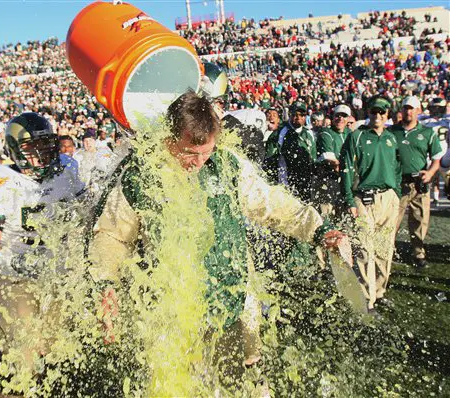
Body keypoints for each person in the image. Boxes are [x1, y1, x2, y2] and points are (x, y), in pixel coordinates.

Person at [88, 90, 349, 387]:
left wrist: (317, 229)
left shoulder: (227, 165)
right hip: (169, 312)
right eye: (189, 152)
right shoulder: (140, 175)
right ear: (169, 139)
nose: (198, 162)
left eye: (206, 152)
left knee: (238, 384)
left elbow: (272, 203)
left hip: (230, 303)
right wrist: (106, 283)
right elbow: (111, 235)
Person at [0, 112, 85, 378]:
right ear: (14, 150)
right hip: (17, 274)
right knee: (21, 360)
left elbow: (84, 213)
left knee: (57, 350)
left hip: (59, 273)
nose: (42, 153)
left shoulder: (67, 168)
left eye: (46, 145)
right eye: (32, 147)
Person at [340, 96, 401, 313]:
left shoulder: (391, 138)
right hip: (363, 198)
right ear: (369, 113)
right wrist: (349, 199)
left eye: (382, 112)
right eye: (374, 112)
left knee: (385, 250)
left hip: (388, 198)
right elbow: (345, 169)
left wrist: (396, 193)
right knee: (365, 250)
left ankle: (380, 292)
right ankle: (367, 297)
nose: (378, 116)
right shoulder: (356, 136)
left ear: (387, 115)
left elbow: (397, 167)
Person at [390, 96, 444, 268]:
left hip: (419, 182)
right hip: (398, 183)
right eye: (406, 107)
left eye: (412, 108)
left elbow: (436, 158)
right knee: (392, 220)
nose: (408, 111)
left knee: (420, 220)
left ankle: (418, 253)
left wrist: (430, 173)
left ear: (419, 110)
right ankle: (388, 251)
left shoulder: (427, 132)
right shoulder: (391, 131)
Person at [263, 101, 316, 202]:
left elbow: (313, 159)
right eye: (295, 114)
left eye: (302, 114)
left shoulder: (309, 134)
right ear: (290, 114)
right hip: (285, 184)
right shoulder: (280, 132)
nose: (298, 117)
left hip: (305, 184)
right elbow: (269, 159)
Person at [315, 104, 353, 218]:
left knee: (345, 218)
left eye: (344, 116)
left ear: (348, 118)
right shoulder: (325, 133)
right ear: (333, 117)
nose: (340, 118)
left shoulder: (350, 134)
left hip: (346, 182)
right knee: (326, 217)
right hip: (328, 181)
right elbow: (333, 162)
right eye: (338, 115)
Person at [420, 98, 450, 203]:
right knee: (434, 177)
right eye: (434, 108)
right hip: (443, 152)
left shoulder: (425, 121)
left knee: (432, 176)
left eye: (438, 108)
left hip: (436, 152)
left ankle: (433, 197)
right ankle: (435, 197)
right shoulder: (446, 121)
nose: (436, 110)